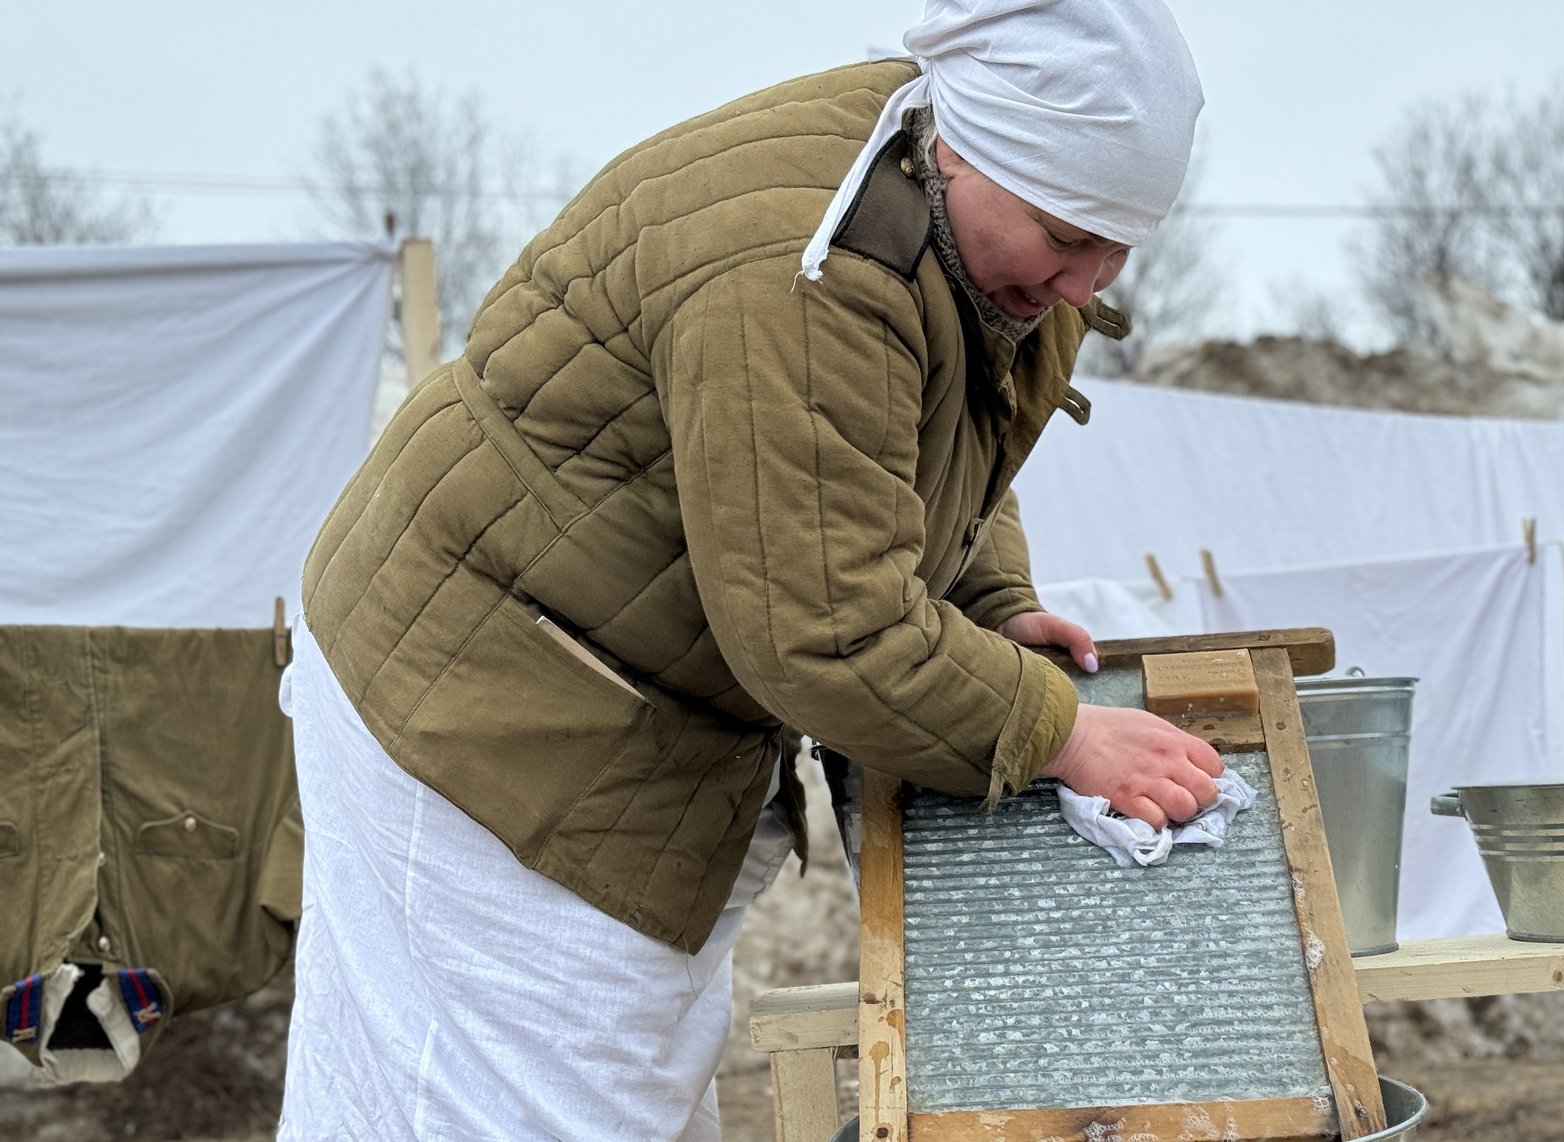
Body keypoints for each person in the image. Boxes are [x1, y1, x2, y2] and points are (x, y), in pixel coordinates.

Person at [277, 1, 1221, 1138]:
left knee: (605, 1089)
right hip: (489, 700)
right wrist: (1060, 731)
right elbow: (827, 629)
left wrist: (986, 606)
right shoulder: (813, 264)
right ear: (969, 144)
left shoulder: (971, 231)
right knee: (515, 1101)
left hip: (606, 680)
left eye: (1119, 244)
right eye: (1066, 235)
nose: (1086, 278)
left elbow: (921, 451)